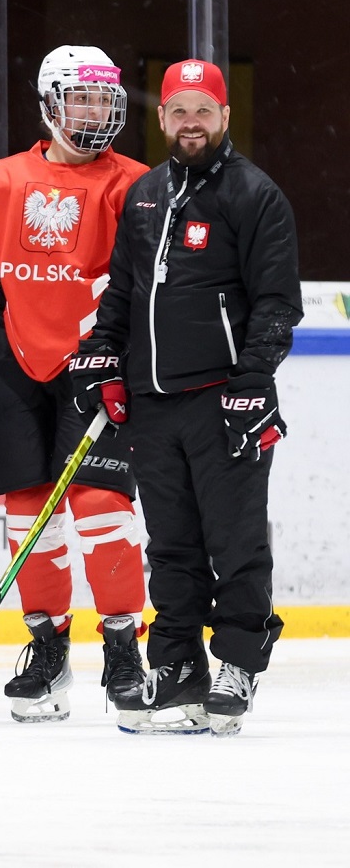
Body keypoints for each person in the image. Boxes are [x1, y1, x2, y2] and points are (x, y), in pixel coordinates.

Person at [0, 46, 150, 723]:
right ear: (51, 106)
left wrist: (125, 358)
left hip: (97, 364)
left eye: (105, 100)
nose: (95, 112)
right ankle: (48, 647)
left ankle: (122, 645)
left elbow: (143, 292)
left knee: (103, 503)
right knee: (28, 512)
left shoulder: (134, 183)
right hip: (16, 363)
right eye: (81, 99)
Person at [74, 59, 301, 737]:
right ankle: (176, 666)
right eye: (179, 110)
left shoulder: (255, 195)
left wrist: (252, 385)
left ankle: (236, 661)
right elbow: (121, 293)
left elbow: (276, 305)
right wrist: (101, 354)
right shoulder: (144, 194)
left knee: (233, 542)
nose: (191, 122)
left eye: (204, 109)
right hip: (153, 402)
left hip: (223, 401)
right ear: (163, 118)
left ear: (225, 117)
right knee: (170, 543)